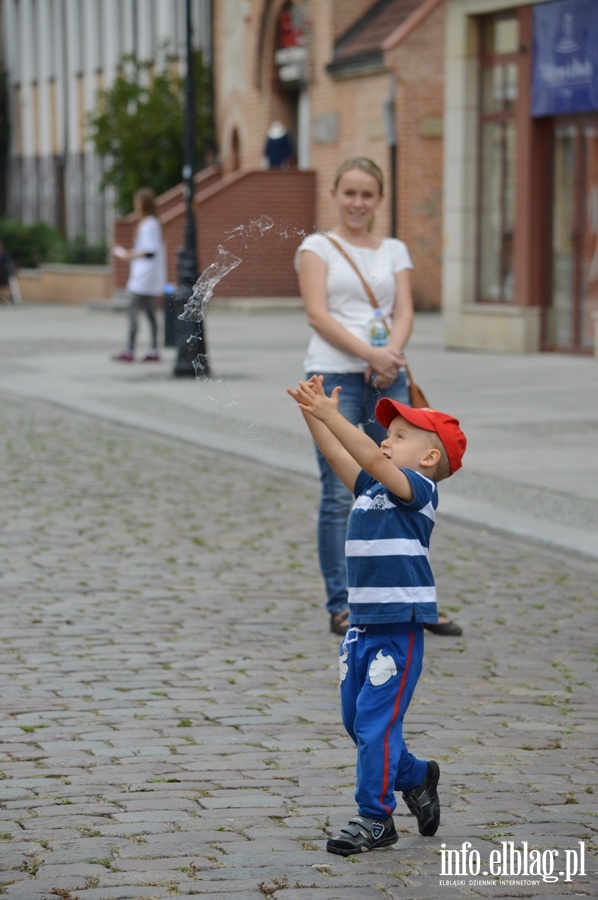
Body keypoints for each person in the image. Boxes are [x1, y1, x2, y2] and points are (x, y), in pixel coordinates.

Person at [286, 377, 467, 855]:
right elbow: (341, 457)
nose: (386, 441)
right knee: (357, 722)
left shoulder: (419, 491)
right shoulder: (371, 486)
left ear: (429, 458)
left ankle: (376, 818)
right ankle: (416, 774)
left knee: (374, 727)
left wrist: (333, 416)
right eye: (386, 435)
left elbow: (365, 454)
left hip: (398, 628)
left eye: (399, 437)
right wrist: (313, 412)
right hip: (363, 625)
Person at [295, 157, 462, 637]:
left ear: (380, 199)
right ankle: (344, 602)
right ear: (335, 194)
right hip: (334, 372)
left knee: (410, 484)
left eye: (367, 194)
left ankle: (412, 597)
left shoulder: (393, 249)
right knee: (339, 488)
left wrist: (389, 355)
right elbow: (318, 315)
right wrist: (371, 352)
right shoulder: (317, 247)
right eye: (349, 192)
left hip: (388, 373)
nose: (357, 202)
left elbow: (405, 310)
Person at [112, 187, 166, 362]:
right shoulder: (153, 223)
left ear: (144, 205)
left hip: (143, 277)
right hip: (148, 276)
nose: (135, 205)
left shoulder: (149, 224)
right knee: (150, 314)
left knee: (133, 311)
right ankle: (153, 350)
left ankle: (130, 350)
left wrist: (129, 254)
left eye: (137, 202)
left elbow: (150, 251)